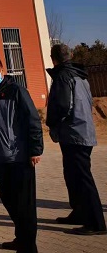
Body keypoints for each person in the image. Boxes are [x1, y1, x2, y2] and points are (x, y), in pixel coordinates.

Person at [0, 56, 43, 253]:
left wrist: (35, 149)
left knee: (24, 205)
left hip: (19, 157)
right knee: (8, 200)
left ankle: (28, 247)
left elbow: (33, 120)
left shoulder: (17, 91)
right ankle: (21, 238)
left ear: (2, 70)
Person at [46, 44, 106, 235]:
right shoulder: (80, 76)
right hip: (82, 131)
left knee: (81, 178)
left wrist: (52, 124)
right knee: (72, 175)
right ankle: (80, 212)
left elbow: (63, 106)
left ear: (53, 59)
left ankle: (96, 223)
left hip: (74, 134)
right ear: (70, 56)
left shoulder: (63, 76)